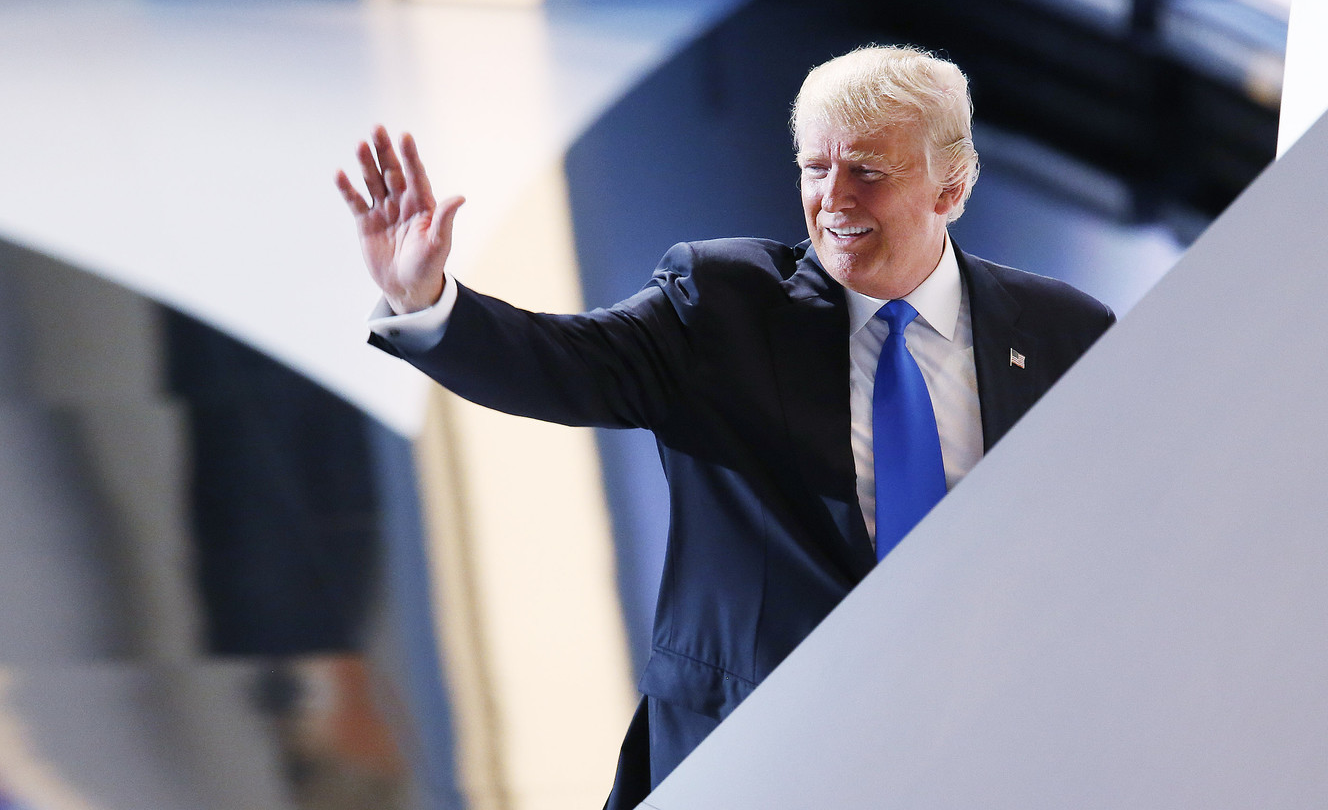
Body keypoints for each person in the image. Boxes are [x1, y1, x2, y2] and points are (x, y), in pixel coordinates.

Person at [336, 45, 1114, 809]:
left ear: (952, 185)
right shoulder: (723, 305)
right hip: (756, 753)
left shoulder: (1061, 333)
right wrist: (429, 300)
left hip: (974, 754)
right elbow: (562, 365)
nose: (834, 199)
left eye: (868, 172)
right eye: (815, 168)